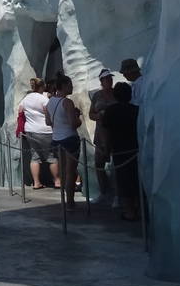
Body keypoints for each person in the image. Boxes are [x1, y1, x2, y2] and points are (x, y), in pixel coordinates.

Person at [104, 82, 142, 222]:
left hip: (119, 150)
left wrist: (107, 149)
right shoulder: (136, 110)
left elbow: (107, 132)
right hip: (135, 149)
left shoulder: (110, 111)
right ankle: (139, 207)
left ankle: (129, 211)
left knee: (123, 180)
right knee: (137, 178)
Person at [47, 74, 83, 207]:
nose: (72, 87)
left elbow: (48, 122)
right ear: (64, 86)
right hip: (69, 139)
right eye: (70, 85)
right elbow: (73, 124)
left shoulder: (50, 102)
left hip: (56, 140)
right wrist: (78, 117)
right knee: (70, 172)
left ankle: (65, 201)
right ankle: (70, 202)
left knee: (63, 171)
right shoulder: (67, 102)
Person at [19, 78, 57, 190]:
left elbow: (20, 110)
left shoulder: (26, 98)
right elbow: (48, 112)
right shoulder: (43, 99)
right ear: (42, 86)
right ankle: (57, 181)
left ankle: (36, 183)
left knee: (35, 157)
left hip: (30, 130)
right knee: (52, 157)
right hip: (45, 130)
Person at [89, 69, 118, 206]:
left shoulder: (116, 93)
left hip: (115, 133)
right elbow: (91, 114)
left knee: (116, 166)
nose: (109, 81)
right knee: (99, 164)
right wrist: (98, 116)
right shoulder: (97, 95)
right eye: (106, 79)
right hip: (101, 134)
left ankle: (118, 195)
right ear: (101, 81)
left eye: (110, 78)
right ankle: (104, 192)